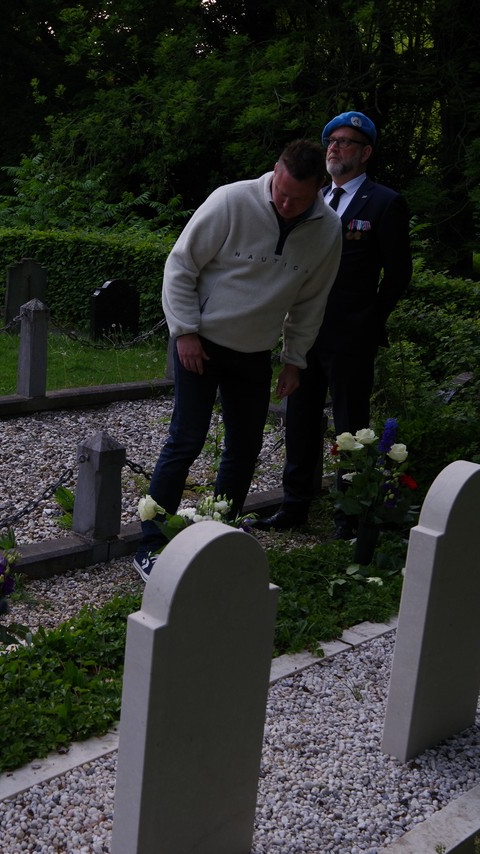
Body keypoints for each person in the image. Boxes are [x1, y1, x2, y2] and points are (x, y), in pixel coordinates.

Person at [134, 139, 343, 580]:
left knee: (244, 448)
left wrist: (294, 360)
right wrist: (185, 331)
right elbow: (181, 266)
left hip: (254, 351)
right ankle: (150, 543)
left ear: (319, 189)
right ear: (274, 172)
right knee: (186, 439)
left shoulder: (327, 230)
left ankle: (218, 534)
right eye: (281, 192)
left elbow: (311, 303)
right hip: (201, 342)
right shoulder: (231, 201)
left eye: (298, 199)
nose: (286, 204)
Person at [254, 111, 413, 536]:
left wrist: (371, 319)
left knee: (351, 426)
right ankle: (294, 506)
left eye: (346, 142)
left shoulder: (384, 202)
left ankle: (349, 514)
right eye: (332, 141)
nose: (335, 148)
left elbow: (399, 274)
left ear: (365, 153)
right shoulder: (314, 197)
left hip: (351, 335)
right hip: (305, 330)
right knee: (299, 420)